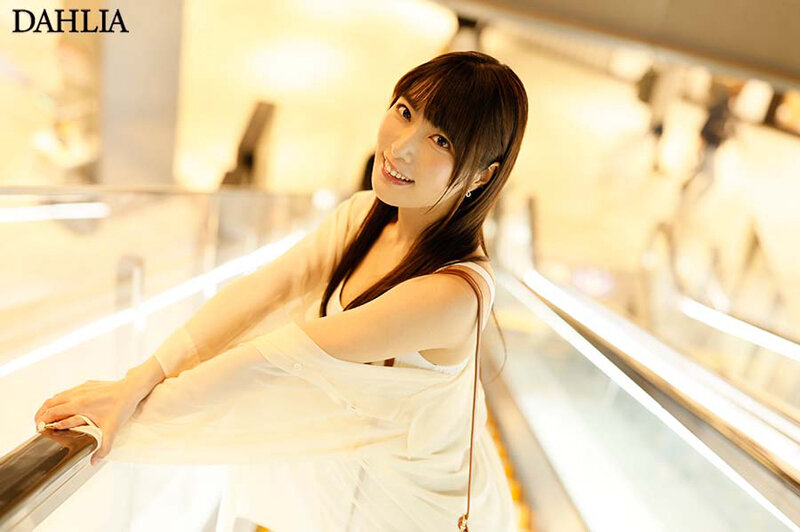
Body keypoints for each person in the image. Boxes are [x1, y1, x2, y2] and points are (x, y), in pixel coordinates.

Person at [33, 50, 528, 531]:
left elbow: (274, 357)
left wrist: (131, 416)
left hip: (415, 508)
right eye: (404, 112)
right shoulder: (363, 217)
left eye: (440, 140)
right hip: (349, 476)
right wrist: (136, 381)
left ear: (482, 176)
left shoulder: (453, 296)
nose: (401, 147)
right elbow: (261, 293)